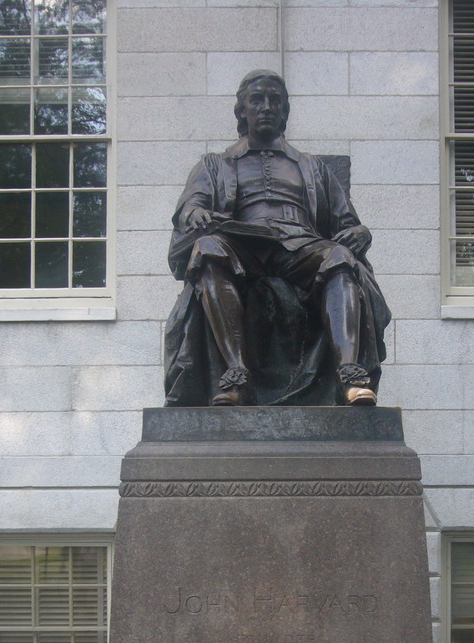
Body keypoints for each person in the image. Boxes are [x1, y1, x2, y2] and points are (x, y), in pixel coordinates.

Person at [164, 70, 390, 408]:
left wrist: (361, 232)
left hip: (300, 245)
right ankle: (237, 376)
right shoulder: (215, 164)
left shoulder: (312, 167)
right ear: (242, 111)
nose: (266, 107)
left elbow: (347, 221)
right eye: (257, 100)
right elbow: (192, 204)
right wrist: (194, 213)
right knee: (207, 248)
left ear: (285, 111)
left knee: (340, 257)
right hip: (242, 245)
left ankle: (350, 375)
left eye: (275, 101)